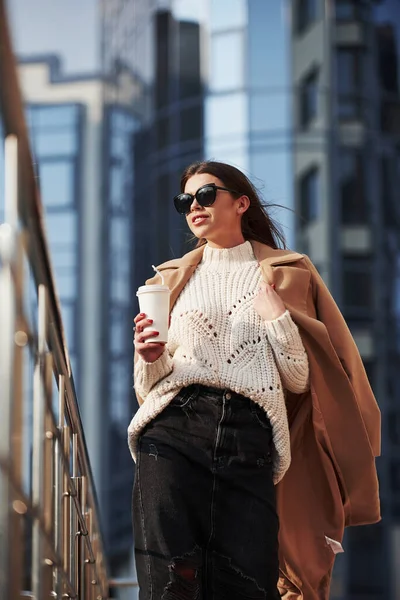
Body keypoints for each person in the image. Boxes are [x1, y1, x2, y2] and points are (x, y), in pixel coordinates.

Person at [128, 161, 381, 600]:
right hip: (173, 428)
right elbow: (148, 386)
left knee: (246, 580)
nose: (194, 207)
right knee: (169, 574)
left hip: (251, 437)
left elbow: (301, 382)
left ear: (240, 203)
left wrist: (279, 320)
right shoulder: (170, 280)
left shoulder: (287, 273)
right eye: (185, 201)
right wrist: (148, 356)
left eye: (205, 195)